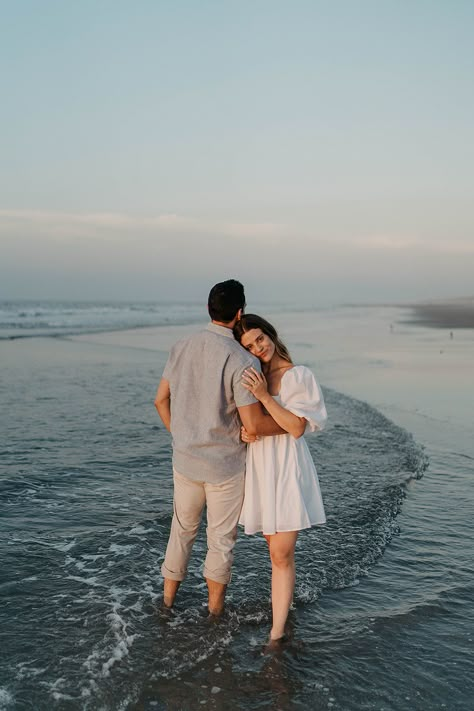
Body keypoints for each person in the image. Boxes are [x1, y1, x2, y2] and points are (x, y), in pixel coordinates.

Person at [154, 281, 285, 616]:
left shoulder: (181, 345)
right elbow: (253, 425)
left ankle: (167, 603)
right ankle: (214, 615)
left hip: (184, 460)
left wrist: (181, 437)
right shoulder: (242, 360)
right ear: (239, 313)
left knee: (181, 531)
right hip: (224, 467)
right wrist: (293, 424)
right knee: (220, 541)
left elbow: (160, 401)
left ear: (209, 309)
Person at [233, 314, 327, 644]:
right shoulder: (254, 375)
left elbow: (297, 427)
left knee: (281, 554)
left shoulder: (297, 375)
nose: (258, 348)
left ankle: (276, 633)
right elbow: (258, 422)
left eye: (260, 339)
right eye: (249, 346)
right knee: (276, 553)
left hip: (287, 467)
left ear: (270, 334)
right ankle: (283, 608)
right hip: (261, 466)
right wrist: (247, 432)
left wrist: (264, 397)